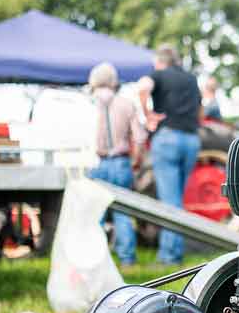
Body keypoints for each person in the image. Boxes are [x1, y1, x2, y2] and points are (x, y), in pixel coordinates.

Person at [137, 45, 203, 265]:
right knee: (177, 199)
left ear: (159, 61)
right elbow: (200, 110)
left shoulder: (158, 74)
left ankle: (168, 256)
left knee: (169, 202)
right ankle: (175, 251)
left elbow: (143, 87)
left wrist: (148, 114)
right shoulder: (191, 79)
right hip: (192, 140)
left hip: (168, 138)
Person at [86, 62, 143, 266]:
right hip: (120, 162)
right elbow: (139, 137)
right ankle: (127, 259)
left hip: (97, 163)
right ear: (113, 80)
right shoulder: (127, 104)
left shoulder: (88, 103)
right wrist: (137, 160)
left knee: (96, 214)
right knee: (123, 213)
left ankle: (96, 259)